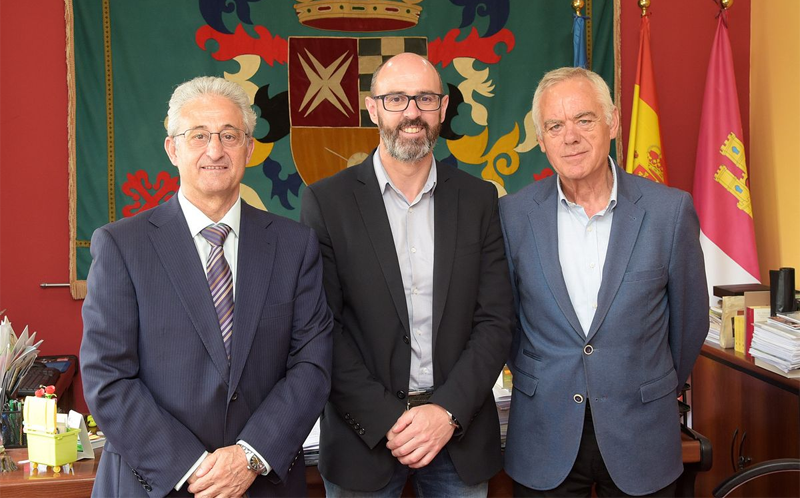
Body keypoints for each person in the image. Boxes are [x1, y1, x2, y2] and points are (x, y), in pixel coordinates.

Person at [81, 76, 333, 498]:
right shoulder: (122, 246)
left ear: (249, 149)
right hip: (157, 483)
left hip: (262, 481)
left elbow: (312, 365)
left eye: (229, 136)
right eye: (198, 135)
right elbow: (107, 377)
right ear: (172, 148)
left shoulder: (294, 245)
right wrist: (194, 467)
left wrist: (248, 456)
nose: (215, 150)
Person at [300, 53, 515, 497]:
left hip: (459, 434)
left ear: (444, 106)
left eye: (425, 99)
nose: (412, 112)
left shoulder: (479, 200)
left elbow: (496, 320)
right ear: (372, 107)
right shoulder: (328, 203)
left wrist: (446, 413)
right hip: (365, 438)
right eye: (396, 98)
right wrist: (388, 420)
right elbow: (323, 329)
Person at [499, 67, 708, 498]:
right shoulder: (512, 216)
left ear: (613, 122)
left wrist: (641, 380)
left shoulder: (668, 213)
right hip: (544, 433)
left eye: (584, 119)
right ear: (541, 140)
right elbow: (505, 323)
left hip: (641, 436)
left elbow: (689, 324)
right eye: (555, 126)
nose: (569, 136)